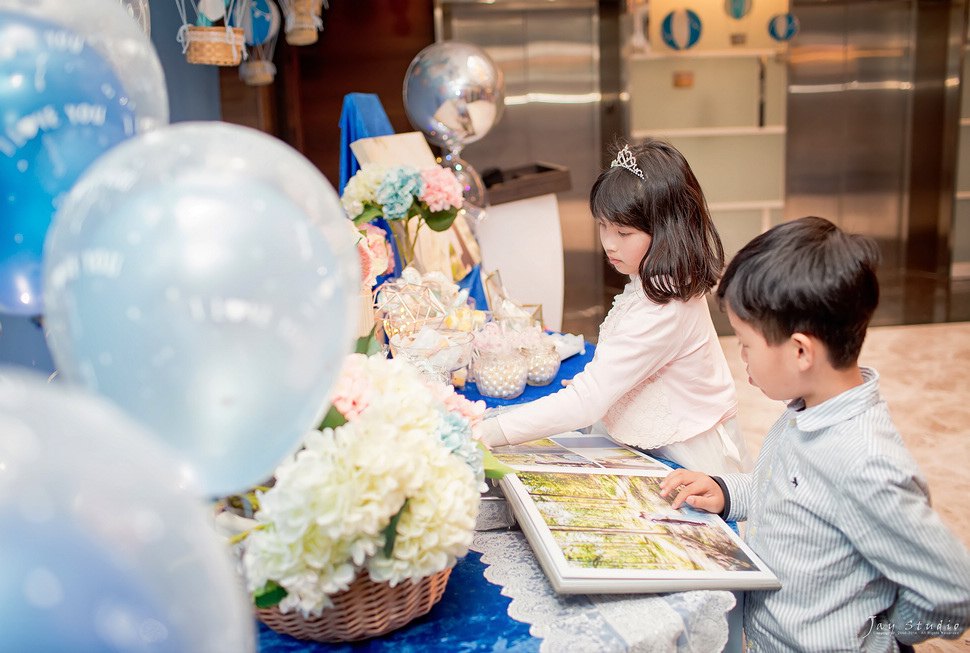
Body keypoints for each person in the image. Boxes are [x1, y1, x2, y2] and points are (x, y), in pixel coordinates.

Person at [660, 216, 970, 652]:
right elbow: (789, 493)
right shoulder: (804, 409)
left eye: (747, 344)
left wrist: (880, 634)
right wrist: (727, 492)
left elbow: (953, 589)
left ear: (801, 350)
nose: (741, 356)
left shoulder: (866, 464)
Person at [474, 139, 753, 476]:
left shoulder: (664, 307)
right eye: (603, 225)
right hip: (657, 441)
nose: (608, 242)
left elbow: (585, 403)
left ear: (667, 231)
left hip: (687, 455)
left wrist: (486, 431)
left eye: (623, 231)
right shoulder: (657, 278)